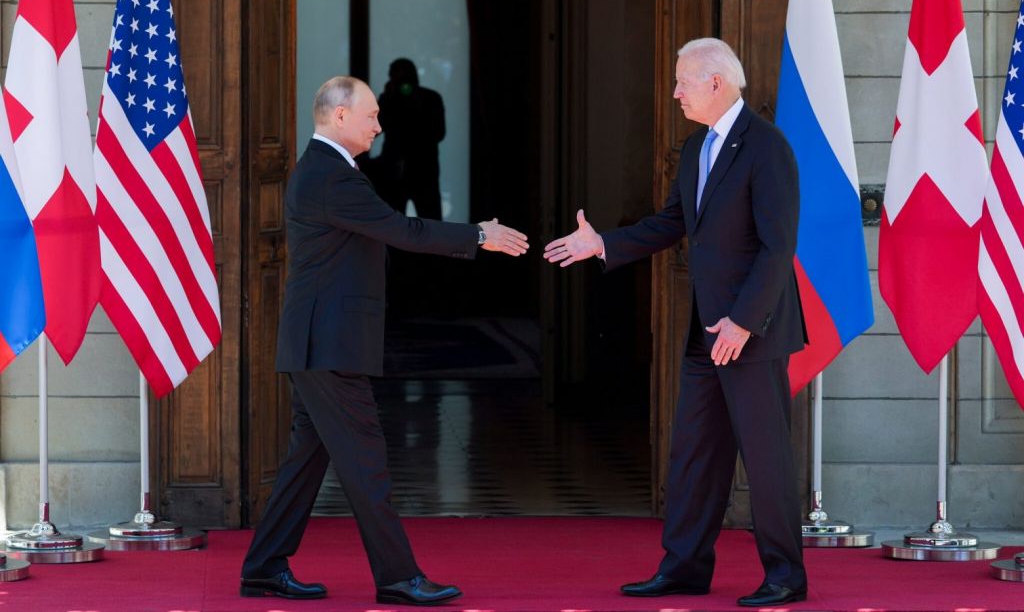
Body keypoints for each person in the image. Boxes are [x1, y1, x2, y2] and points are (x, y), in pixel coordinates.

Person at [240, 76, 529, 605]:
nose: (379, 124)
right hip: (328, 345)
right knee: (366, 461)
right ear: (340, 115)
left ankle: (264, 567)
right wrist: (478, 235)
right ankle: (398, 577)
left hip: (320, 343)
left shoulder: (330, 170)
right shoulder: (331, 176)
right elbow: (402, 230)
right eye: (371, 114)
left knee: (308, 460)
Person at [543, 38, 807, 607]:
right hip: (705, 333)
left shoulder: (766, 146)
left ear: (716, 82)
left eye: (684, 81)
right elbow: (670, 223)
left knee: (766, 459)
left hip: (750, 333)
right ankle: (684, 568)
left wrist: (743, 321)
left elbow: (778, 246)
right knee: (694, 455)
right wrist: (602, 244)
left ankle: (786, 575)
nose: (676, 92)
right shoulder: (694, 148)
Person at [376, 58, 446, 219]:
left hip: (423, 171)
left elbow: (438, 132)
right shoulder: (389, 99)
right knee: (392, 224)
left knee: (430, 223)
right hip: (395, 171)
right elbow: (376, 128)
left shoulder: (430, 98)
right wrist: (386, 100)